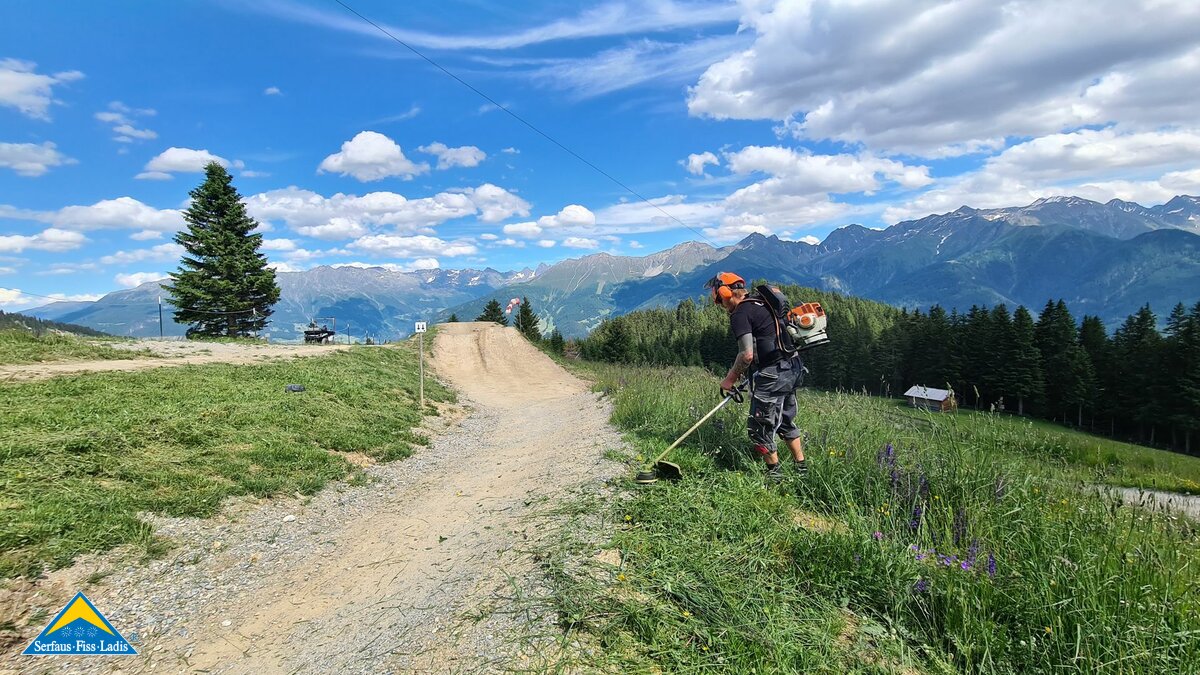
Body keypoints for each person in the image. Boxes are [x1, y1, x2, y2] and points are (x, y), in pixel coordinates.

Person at [706, 272, 807, 482]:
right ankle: (801, 469)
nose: (719, 304)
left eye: (718, 299)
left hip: (774, 374)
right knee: (785, 420)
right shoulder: (762, 302)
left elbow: (747, 354)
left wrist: (729, 380)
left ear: (725, 293)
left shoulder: (740, 313)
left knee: (758, 428)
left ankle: (775, 477)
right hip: (793, 367)